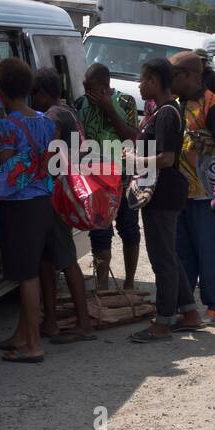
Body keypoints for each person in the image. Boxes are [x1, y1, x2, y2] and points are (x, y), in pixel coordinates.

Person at [0, 58, 73, 364]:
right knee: (32, 269)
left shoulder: (5, 127)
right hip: (43, 203)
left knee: (26, 276)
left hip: (20, 207)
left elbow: (5, 173)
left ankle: (33, 346)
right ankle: (22, 335)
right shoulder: (46, 122)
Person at [126, 57, 203, 342]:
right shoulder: (162, 112)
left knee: (162, 260)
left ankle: (163, 322)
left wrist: (135, 160)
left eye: (144, 79)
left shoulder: (167, 113)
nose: (140, 84)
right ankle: (190, 313)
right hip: (164, 194)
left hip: (163, 195)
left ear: (156, 82)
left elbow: (167, 159)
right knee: (169, 255)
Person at [29, 67, 96, 345]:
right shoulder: (69, 110)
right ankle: (51, 322)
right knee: (46, 259)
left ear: (43, 93)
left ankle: (83, 324)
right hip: (64, 193)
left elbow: (48, 151)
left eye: (35, 95)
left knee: (67, 260)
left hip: (58, 195)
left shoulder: (54, 116)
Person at [170, 51, 215, 323]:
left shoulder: (212, 103)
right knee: (182, 250)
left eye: (173, 75)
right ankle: (184, 303)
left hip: (206, 192)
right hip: (179, 191)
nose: (168, 80)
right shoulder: (174, 103)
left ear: (189, 76)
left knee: (209, 249)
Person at [74, 63, 141, 290]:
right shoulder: (81, 104)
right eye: (84, 85)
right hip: (95, 182)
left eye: (90, 86)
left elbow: (133, 137)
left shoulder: (125, 102)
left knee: (129, 229)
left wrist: (109, 108)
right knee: (100, 232)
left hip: (123, 180)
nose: (85, 90)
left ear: (104, 88)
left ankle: (129, 283)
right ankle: (102, 285)